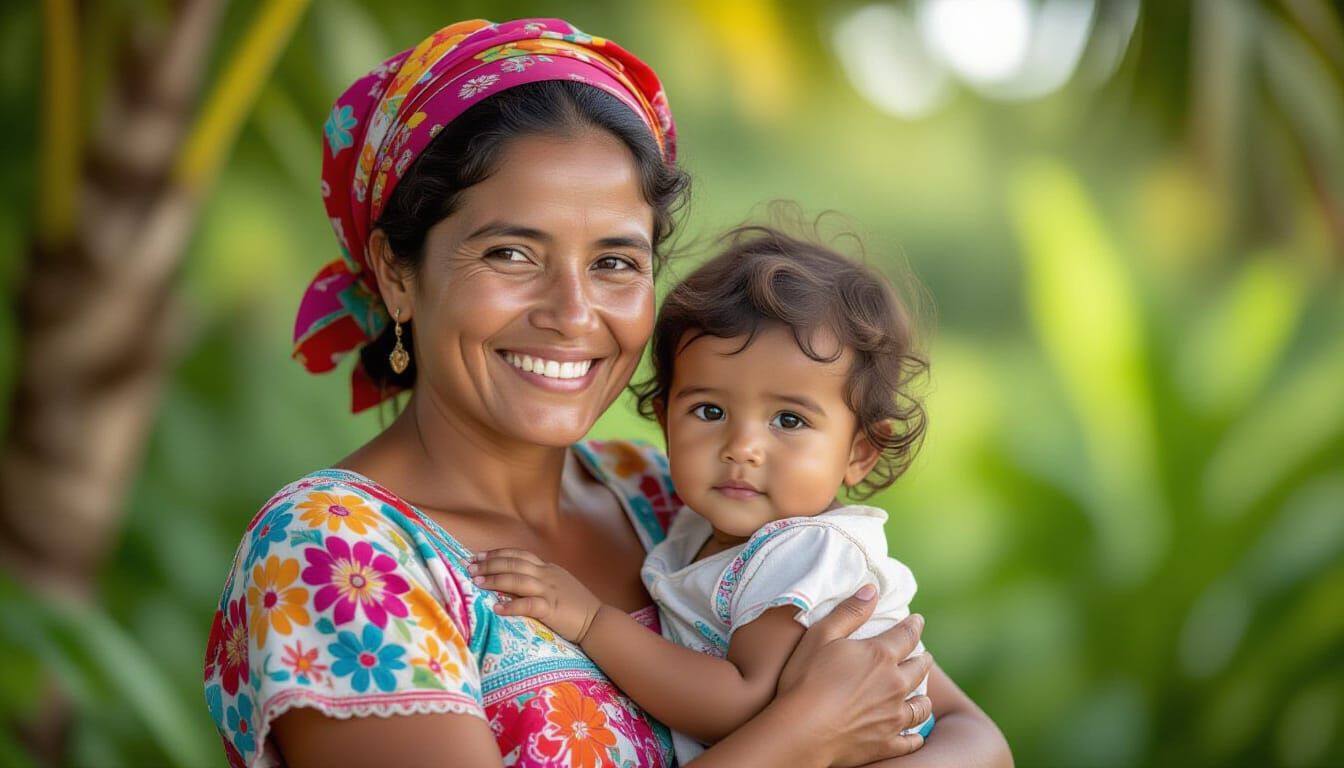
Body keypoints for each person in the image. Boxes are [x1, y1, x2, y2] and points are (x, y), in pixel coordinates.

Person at [202, 17, 1012, 768]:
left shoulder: (669, 498)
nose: (572, 313)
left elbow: (975, 740)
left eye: (615, 263)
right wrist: (803, 737)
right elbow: (833, 722)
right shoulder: (338, 553)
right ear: (395, 273)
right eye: (512, 254)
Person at [472, 226, 939, 763]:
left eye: (789, 420)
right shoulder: (696, 525)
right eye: (710, 411)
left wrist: (591, 621)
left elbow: (737, 702)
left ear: (860, 451)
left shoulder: (805, 551)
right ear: (665, 419)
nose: (742, 448)